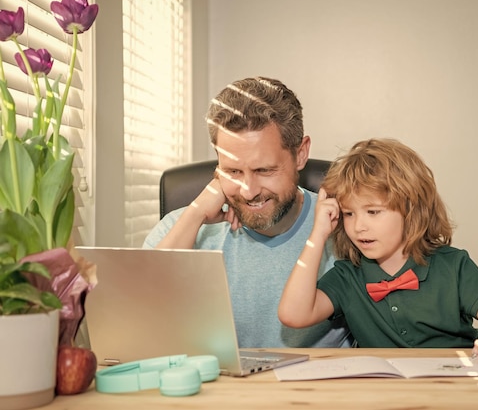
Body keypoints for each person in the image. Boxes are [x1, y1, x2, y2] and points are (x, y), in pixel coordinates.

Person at [278, 138, 478, 367]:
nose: (358, 226)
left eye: (373, 212)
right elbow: (293, 315)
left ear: (410, 209)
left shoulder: (454, 267)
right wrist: (318, 235)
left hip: (457, 390)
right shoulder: (348, 276)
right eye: (349, 213)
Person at [143, 76, 351, 349]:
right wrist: (195, 215)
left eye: (264, 170)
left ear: (300, 154)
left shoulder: (344, 228)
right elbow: (142, 317)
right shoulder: (180, 227)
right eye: (232, 171)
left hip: (314, 390)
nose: (249, 191)